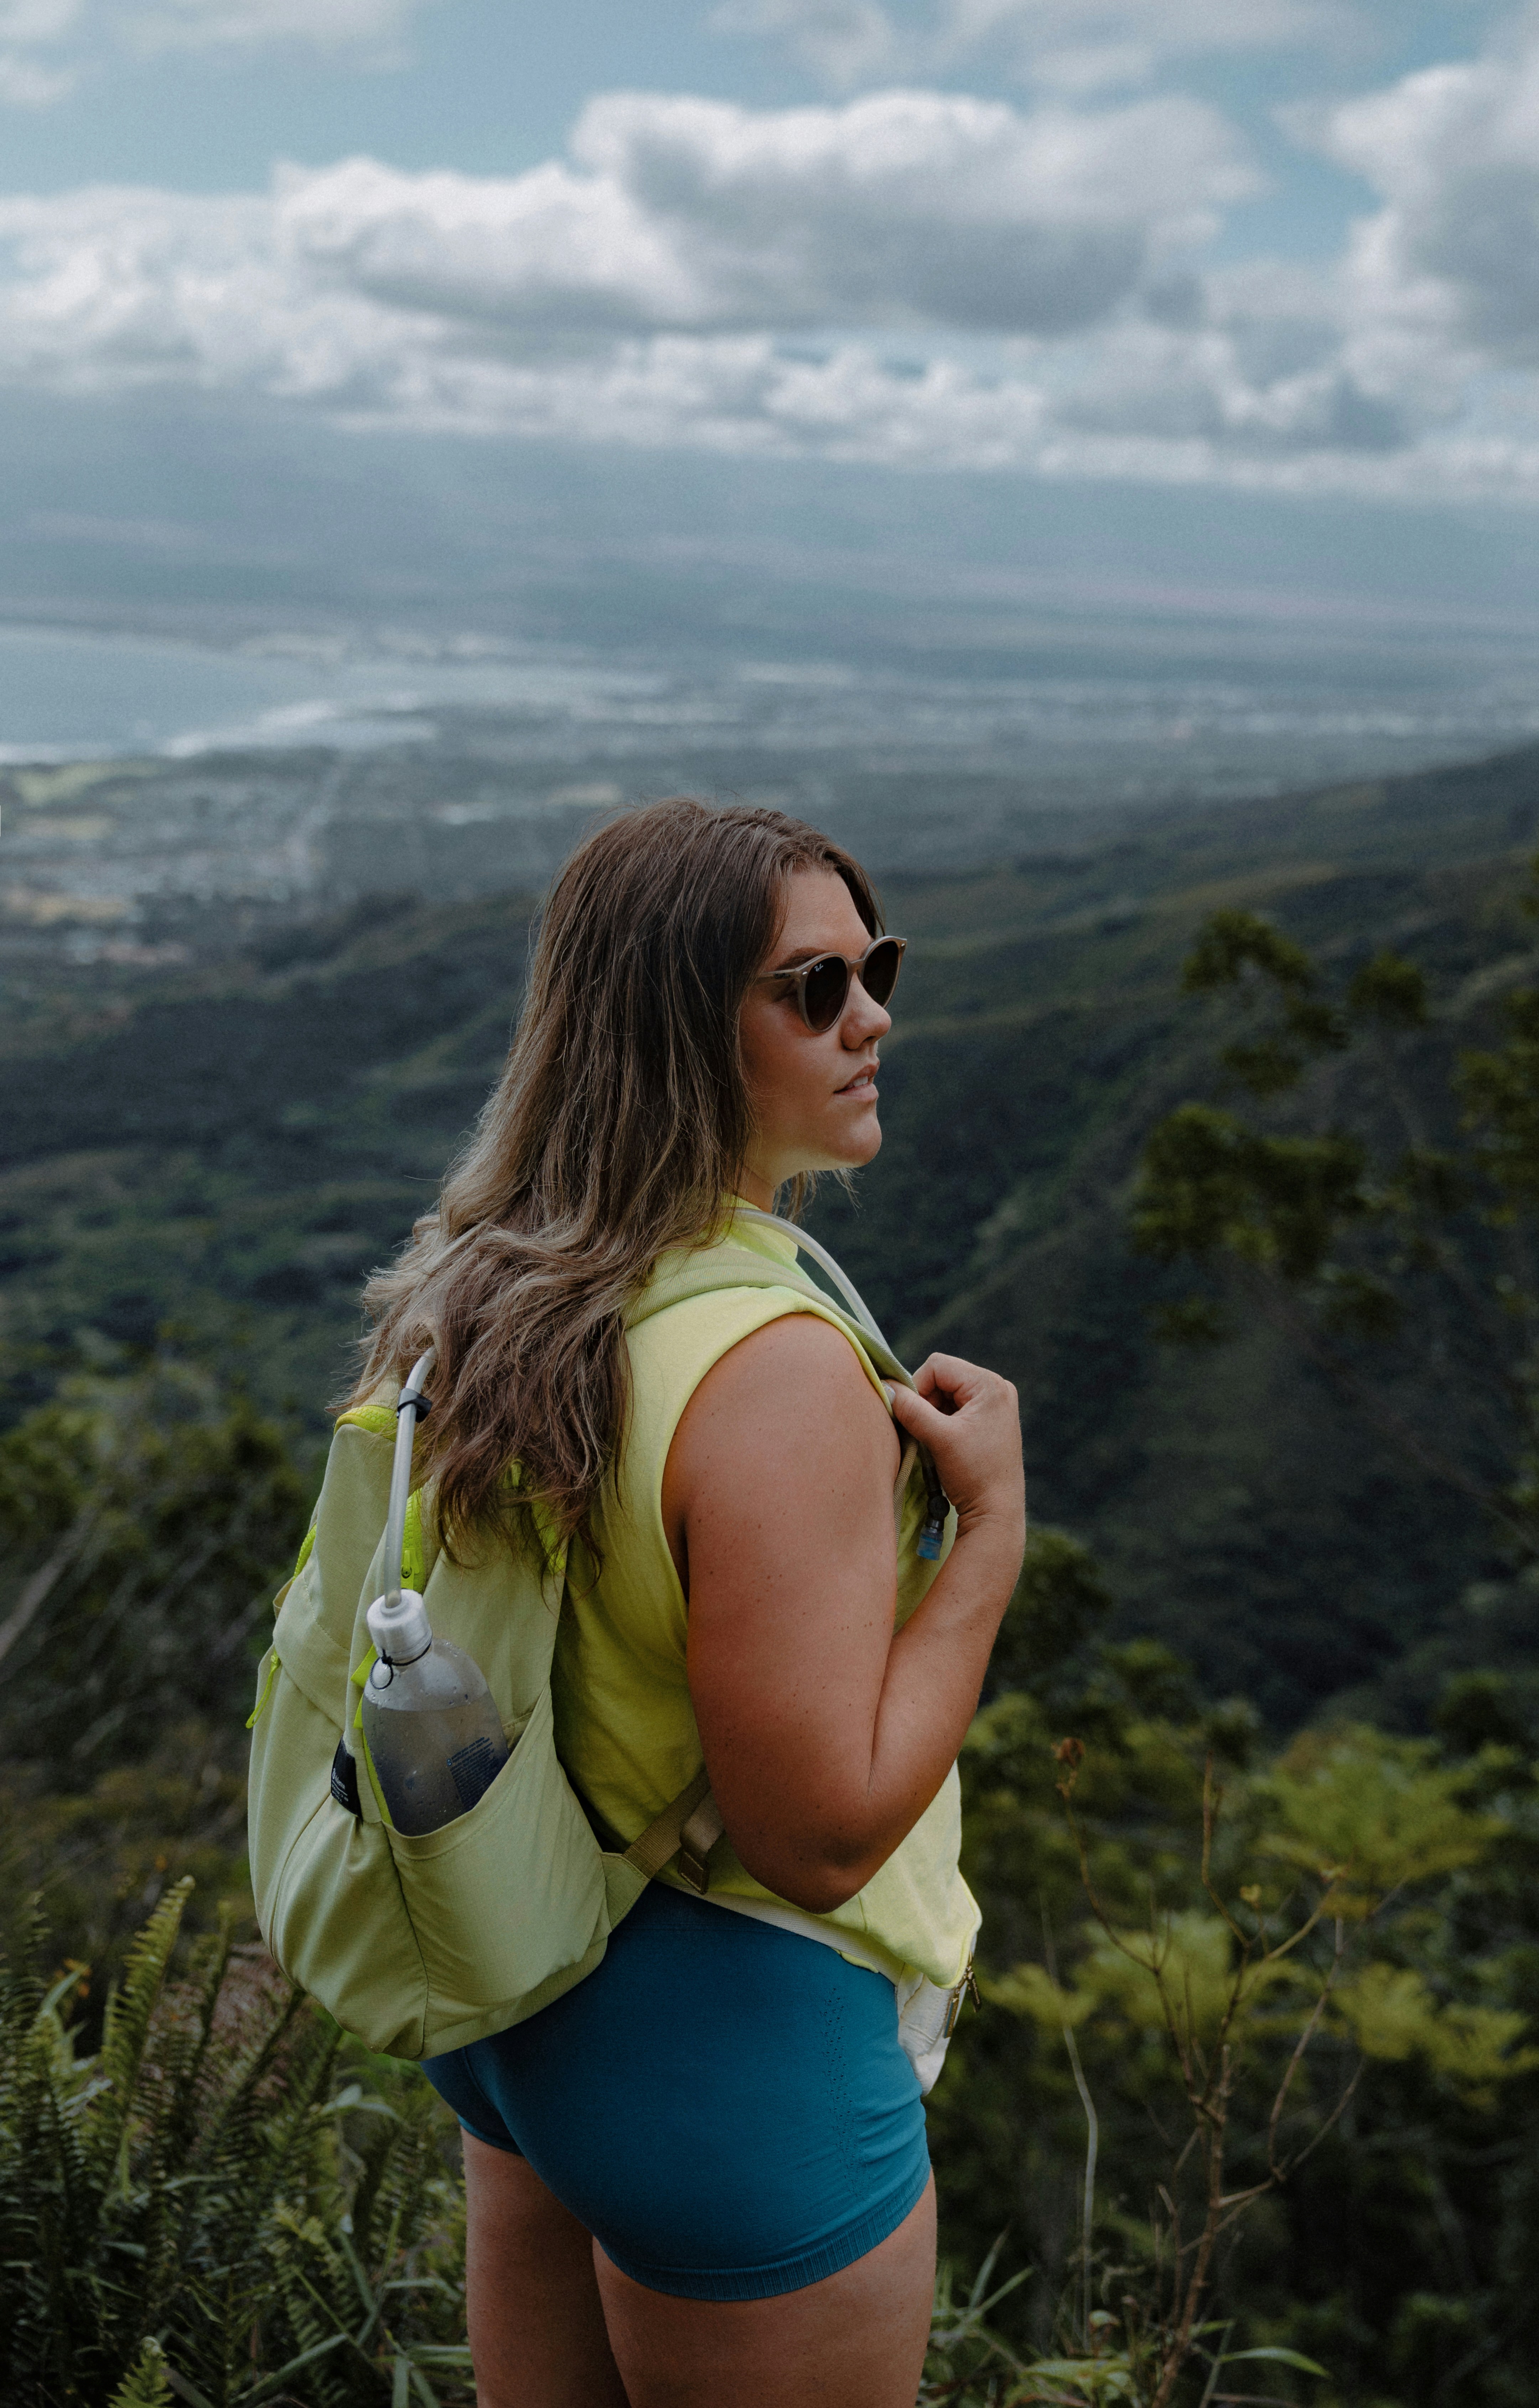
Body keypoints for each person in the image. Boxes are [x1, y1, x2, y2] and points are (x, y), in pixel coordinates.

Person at [349, 799, 1025, 2408]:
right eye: (811, 987)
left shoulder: (488, 1287)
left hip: (524, 1987)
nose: (870, 1018)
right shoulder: (773, 1371)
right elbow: (818, 1832)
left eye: (877, 968)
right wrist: (989, 1530)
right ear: (674, 1022)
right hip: (731, 2056)